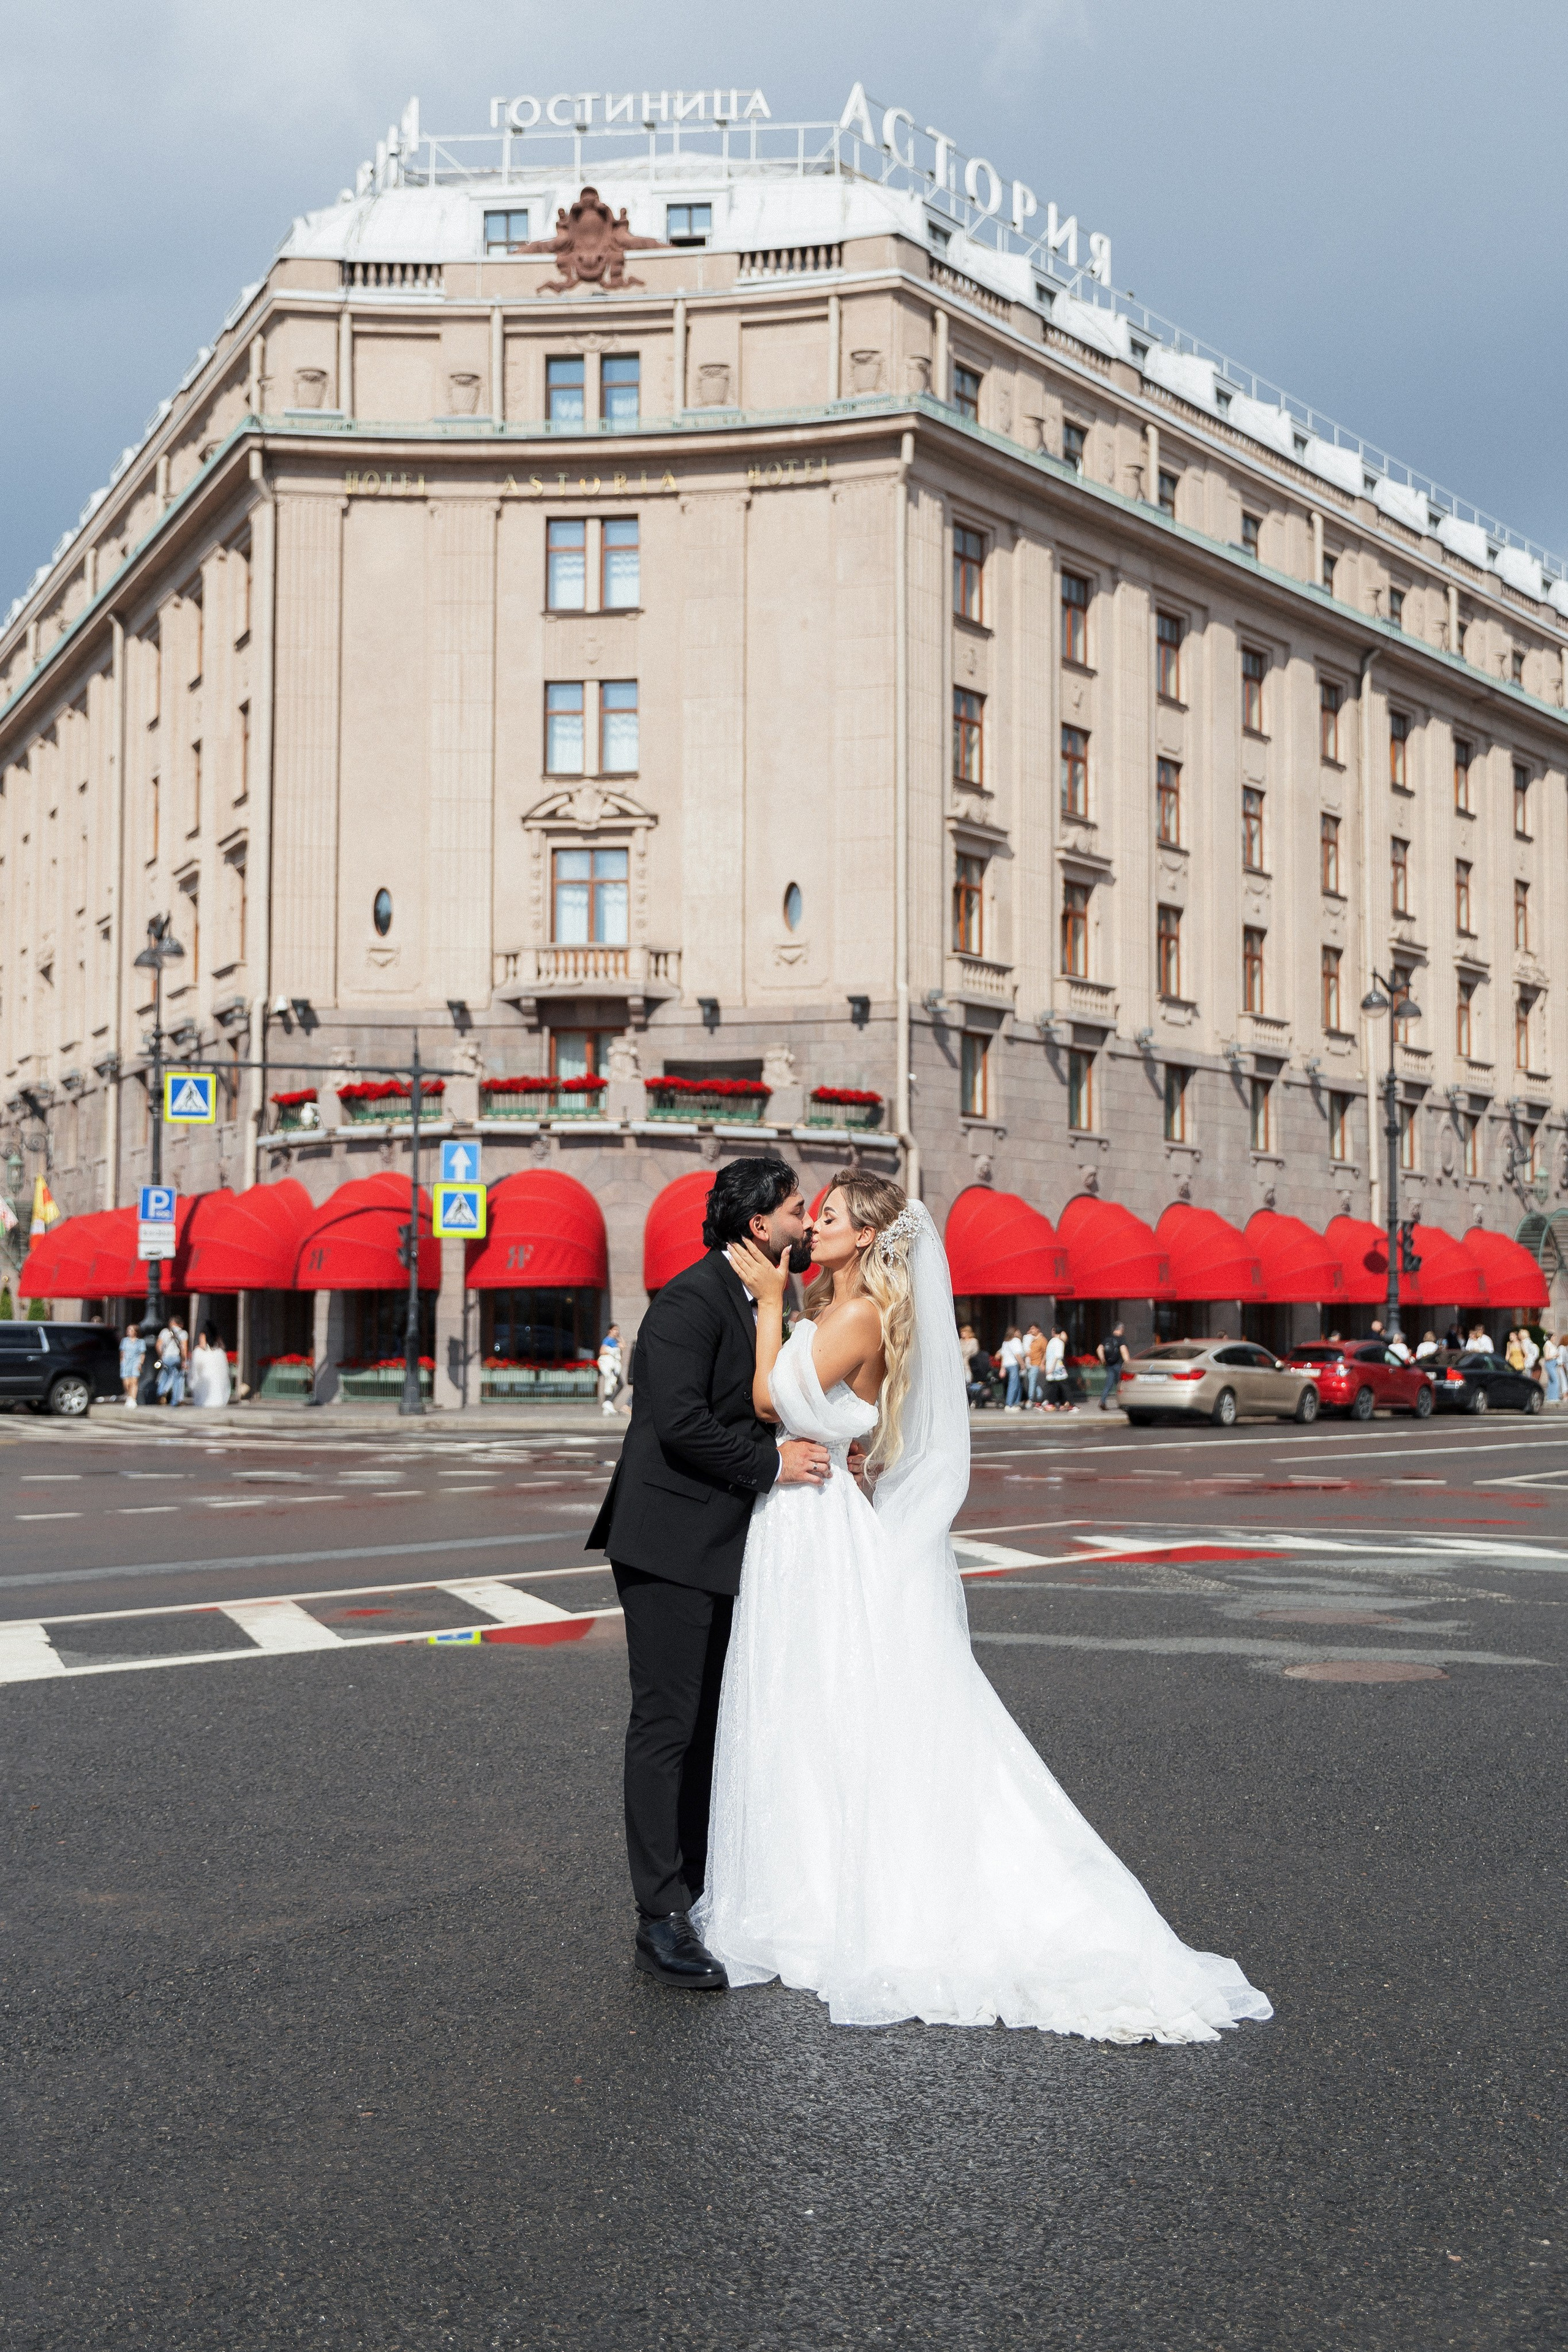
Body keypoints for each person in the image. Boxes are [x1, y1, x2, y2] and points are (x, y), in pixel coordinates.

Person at [697, 1170, 1272, 2042]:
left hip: (813, 1527)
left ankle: (818, 1896)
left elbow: (771, 1401)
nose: (812, 1226)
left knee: (807, 1699)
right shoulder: (849, 1311)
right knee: (810, 1706)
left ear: (868, 1241)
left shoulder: (849, 1316)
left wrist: (771, 1300)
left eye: (830, 1218)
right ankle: (807, 1883)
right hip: (812, 1514)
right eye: (812, 1214)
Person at [586, 1156, 841, 1992]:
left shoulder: (760, 1294)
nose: (806, 1224)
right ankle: (659, 1917)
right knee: (667, 1727)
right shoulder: (690, 1300)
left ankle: (694, 1890)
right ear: (758, 1223)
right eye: (797, 1212)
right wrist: (773, 1464)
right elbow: (681, 1424)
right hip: (666, 1542)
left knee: (710, 1726)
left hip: (727, 1542)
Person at [1098, 1323, 1129, 1412]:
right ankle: (1124, 1404)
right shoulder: (1121, 1339)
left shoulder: (1107, 1339)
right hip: (1118, 1365)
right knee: (1122, 1385)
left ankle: (1102, 1401)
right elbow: (1124, 1351)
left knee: (1109, 1384)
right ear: (1121, 1329)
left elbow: (1099, 1349)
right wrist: (1128, 1363)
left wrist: (1103, 1360)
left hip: (1109, 1365)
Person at [597, 1323, 625, 1417]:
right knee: (620, 1384)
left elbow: (623, 1346)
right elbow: (602, 1351)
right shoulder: (608, 1340)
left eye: (617, 1330)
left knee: (610, 1385)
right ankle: (609, 1402)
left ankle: (607, 1405)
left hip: (615, 1365)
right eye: (614, 1330)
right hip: (611, 1365)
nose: (616, 1331)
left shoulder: (614, 1340)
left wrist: (620, 1337)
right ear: (610, 1331)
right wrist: (611, 1351)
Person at [1044, 1324, 1072, 1412]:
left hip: (1056, 1368)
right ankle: (1061, 1402)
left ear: (1054, 1332)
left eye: (1052, 1331)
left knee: (1060, 1386)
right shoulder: (1057, 1342)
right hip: (1055, 1368)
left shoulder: (1055, 1342)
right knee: (1057, 1386)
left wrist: (1051, 1368)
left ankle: (1067, 1403)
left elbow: (1058, 1356)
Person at [998, 1325, 1025, 1411]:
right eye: (1018, 1331)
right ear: (1014, 1332)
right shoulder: (1016, 1341)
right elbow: (1017, 1354)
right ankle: (1010, 1404)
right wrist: (1022, 1364)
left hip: (1006, 1365)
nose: (1019, 1333)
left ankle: (1015, 1403)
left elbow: (1003, 1356)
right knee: (1013, 1384)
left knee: (1017, 1384)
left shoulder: (1005, 1343)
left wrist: (1002, 1368)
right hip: (1014, 1364)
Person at [119, 1323, 144, 1408]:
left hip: (135, 1362)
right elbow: (122, 1353)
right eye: (128, 1330)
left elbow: (142, 1354)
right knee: (127, 1382)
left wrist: (140, 1364)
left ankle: (133, 1399)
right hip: (126, 1363)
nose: (129, 1331)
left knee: (134, 1381)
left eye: (131, 1330)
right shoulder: (125, 1341)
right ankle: (129, 1396)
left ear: (136, 1332)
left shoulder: (140, 1342)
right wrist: (122, 1362)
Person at [1023, 1322, 1047, 1407]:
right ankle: (1041, 1397)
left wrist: (1042, 1363)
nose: (1031, 1331)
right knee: (1033, 1381)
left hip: (1036, 1364)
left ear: (1038, 1329)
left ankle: (1030, 1399)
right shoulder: (1032, 1339)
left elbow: (1045, 1352)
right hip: (1030, 1363)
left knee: (1032, 1381)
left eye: (1033, 1329)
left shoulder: (1042, 1340)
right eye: (1030, 1329)